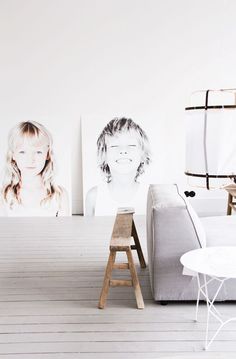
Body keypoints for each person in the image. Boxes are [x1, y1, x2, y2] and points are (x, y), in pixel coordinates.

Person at [0, 121, 70, 216]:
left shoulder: (60, 195)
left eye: (38, 152)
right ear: (13, 155)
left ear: (47, 155)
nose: (30, 160)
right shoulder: (4, 195)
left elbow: (64, 230)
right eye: (22, 152)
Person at [85, 117, 151, 215]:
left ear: (142, 155)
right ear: (104, 155)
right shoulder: (94, 197)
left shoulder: (151, 197)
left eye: (131, 146)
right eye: (114, 146)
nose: (123, 150)